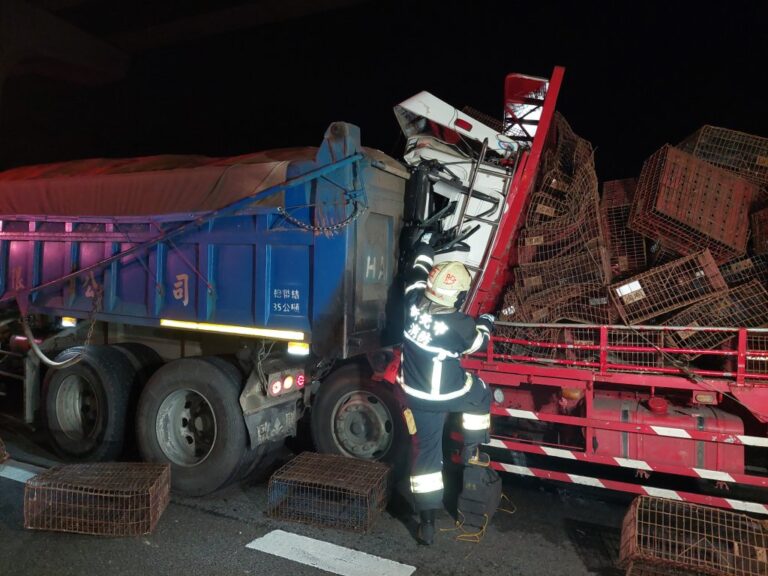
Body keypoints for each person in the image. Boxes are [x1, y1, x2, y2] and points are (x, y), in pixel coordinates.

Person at [397, 239, 495, 545]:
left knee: (426, 459)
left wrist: (425, 247)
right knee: (481, 392)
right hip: (448, 392)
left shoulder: (411, 301)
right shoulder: (458, 325)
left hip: (415, 395)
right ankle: (471, 447)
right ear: (458, 296)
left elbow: (418, 271)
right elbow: (479, 342)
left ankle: (427, 524)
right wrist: (487, 321)